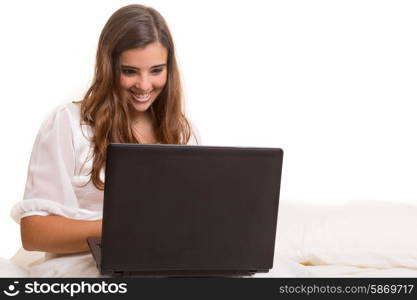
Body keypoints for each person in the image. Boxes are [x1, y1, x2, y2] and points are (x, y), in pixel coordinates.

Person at [10, 4, 198, 276]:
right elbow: (34, 233)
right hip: (86, 264)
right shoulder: (69, 123)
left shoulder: (182, 130)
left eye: (156, 70)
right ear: (108, 67)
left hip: (163, 262)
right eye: (130, 71)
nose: (144, 85)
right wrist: (126, 227)